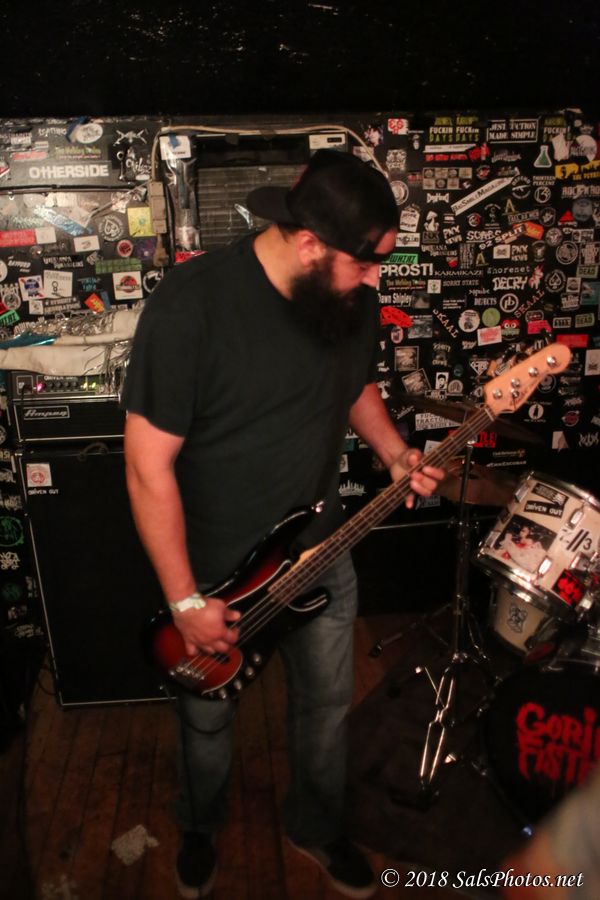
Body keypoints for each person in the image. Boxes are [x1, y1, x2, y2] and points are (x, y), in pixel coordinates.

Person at [122, 149, 445, 899]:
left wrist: (395, 453)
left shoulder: (347, 296)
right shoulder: (191, 309)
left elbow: (354, 386)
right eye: (365, 263)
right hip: (213, 572)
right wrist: (184, 601)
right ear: (308, 244)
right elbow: (145, 468)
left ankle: (315, 825)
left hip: (321, 549)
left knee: (326, 708)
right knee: (207, 723)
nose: (376, 281)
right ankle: (200, 826)